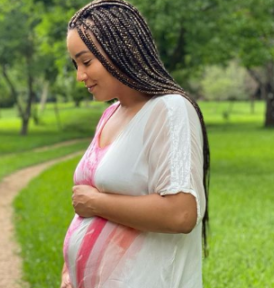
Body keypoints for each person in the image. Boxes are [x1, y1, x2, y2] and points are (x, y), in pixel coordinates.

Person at [61, 0, 210, 287]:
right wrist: (69, 271)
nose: (80, 76)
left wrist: (96, 203)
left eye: (86, 61)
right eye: (75, 64)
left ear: (121, 48)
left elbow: (181, 213)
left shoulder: (170, 110)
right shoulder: (110, 114)